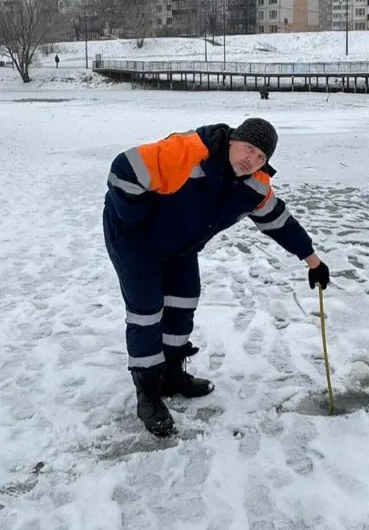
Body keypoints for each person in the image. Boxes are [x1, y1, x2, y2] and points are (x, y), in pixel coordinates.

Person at [102, 118, 331, 437]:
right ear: (233, 140)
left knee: (183, 303)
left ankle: (171, 374)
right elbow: (123, 169)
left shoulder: (255, 185)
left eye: (261, 156)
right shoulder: (188, 152)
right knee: (146, 313)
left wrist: (313, 261)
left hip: (179, 244)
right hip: (132, 239)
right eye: (248, 148)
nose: (251, 159)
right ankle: (148, 393)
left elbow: (279, 222)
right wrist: (141, 221)